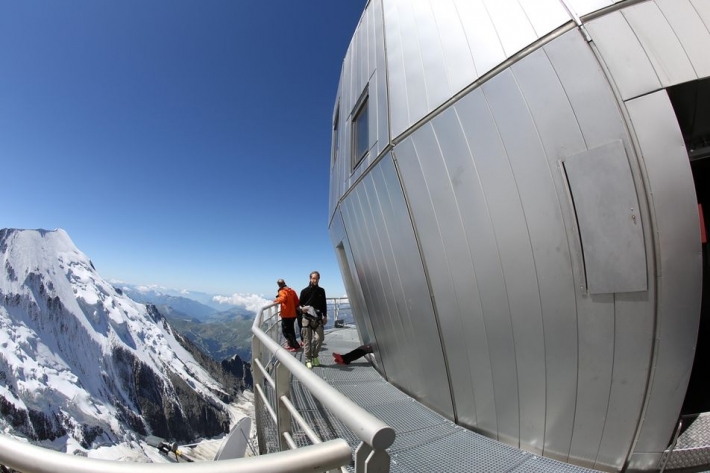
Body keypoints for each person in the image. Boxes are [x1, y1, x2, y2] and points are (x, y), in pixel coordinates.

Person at [299, 271, 327, 368]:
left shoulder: (321, 291)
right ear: (310, 278)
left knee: (320, 339)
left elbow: (324, 304)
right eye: (313, 278)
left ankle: (315, 356)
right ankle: (308, 359)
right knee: (307, 341)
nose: (315, 280)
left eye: (316, 278)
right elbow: (299, 305)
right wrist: (302, 309)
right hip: (307, 318)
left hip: (318, 318)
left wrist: (325, 316)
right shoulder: (304, 291)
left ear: (319, 279)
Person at [274, 279, 300, 352]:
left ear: (279, 285)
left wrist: (276, 300)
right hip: (293, 314)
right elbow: (297, 301)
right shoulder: (291, 290)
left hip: (287, 314)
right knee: (290, 330)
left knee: (286, 331)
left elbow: (283, 298)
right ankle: (291, 344)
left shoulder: (282, 291)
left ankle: (295, 346)